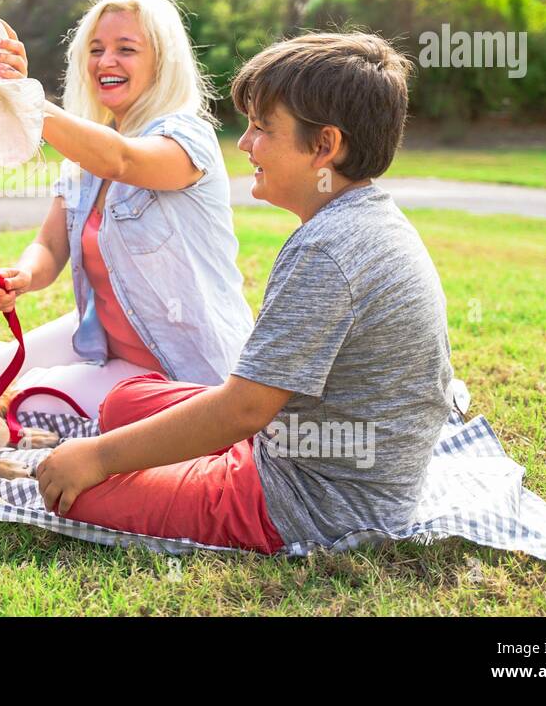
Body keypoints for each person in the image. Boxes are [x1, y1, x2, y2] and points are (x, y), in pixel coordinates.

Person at [34, 33, 454, 555]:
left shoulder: (327, 251)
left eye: (262, 128)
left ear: (324, 146)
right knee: (123, 402)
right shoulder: (361, 217)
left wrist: (96, 459)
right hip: (304, 442)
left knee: (78, 492)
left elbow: (242, 411)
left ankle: (188, 470)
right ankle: (190, 462)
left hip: (311, 499)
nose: (245, 143)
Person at [0, 0, 253, 418]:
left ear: (162, 61)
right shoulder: (86, 156)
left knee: (26, 401)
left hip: (180, 372)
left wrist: (27, 100)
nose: (106, 61)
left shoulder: (186, 137)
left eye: (126, 49)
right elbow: (50, 246)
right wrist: (23, 275)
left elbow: (121, 161)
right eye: (96, 49)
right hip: (101, 342)